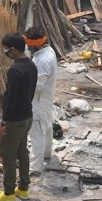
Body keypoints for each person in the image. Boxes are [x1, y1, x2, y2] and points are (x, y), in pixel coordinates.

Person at [0, 33, 37, 201]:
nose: (5, 52)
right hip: (27, 116)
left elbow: (10, 99)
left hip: (15, 120)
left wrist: (4, 122)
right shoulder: (31, 65)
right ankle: (23, 189)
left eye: (6, 49)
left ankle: (8, 193)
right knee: (22, 152)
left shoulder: (15, 70)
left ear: (13, 50)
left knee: (8, 156)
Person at [24, 26, 57, 175]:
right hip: (46, 99)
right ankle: (47, 154)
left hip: (38, 101)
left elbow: (38, 86)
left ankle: (35, 167)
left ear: (37, 43)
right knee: (47, 126)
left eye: (30, 44)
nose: (28, 46)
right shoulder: (48, 52)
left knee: (37, 133)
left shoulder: (43, 60)